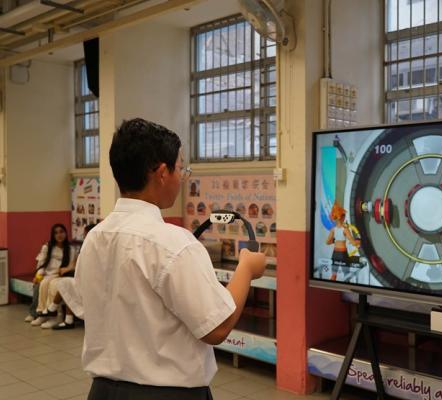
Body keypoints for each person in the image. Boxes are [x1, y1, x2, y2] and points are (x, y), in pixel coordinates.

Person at [76, 118, 266, 400]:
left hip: (103, 392)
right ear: (162, 173)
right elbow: (217, 327)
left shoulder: (95, 237)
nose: (182, 177)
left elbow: (88, 307)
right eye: (181, 169)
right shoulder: (173, 243)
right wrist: (246, 269)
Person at [43, 223, 96, 330]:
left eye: (86, 234)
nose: (84, 237)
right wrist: (67, 269)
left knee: (67, 284)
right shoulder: (86, 246)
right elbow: (76, 262)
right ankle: (65, 317)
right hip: (83, 278)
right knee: (65, 283)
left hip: (93, 282)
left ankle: (53, 309)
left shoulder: (97, 247)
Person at [28, 224, 75, 326]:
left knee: (53, 285)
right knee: (43, 284)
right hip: (48, 275)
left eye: (61, 232)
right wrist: (38, 276)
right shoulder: (48, 247)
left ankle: (56, 317)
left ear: (66, 233)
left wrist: (65, 270)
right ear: (53, 235)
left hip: (61, 275)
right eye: (56, 233)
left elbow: (71, 266)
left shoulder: (70, 249)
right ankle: (43, 314)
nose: (59, 235)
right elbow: (41, 264)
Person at [326, 201, 360, 281]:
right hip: (343, 254)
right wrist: (359, 241)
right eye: (344, 215)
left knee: (333, 275)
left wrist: (334, 241)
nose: (345, 217)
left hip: (335, 254)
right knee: (346, 276)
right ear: (342, 217)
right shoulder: (345, 230)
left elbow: (327, 242)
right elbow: (353, 243)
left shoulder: (333, 230)